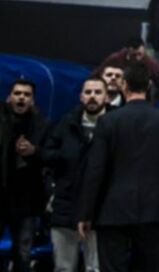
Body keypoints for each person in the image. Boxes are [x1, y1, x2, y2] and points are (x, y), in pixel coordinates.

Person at [77, 62, 159, 272]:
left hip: (112, 210)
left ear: (124, 84)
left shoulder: (108, 121)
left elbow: (95, 170)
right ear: (149, 85)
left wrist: (85, 213)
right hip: (154, 210)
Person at [42, 77, 106, 272]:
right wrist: (68, 157)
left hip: (101, 208)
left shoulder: (115, 123)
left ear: (106, 97)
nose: (92, 96)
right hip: (65, 204)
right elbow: (47, 154)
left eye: (97, 92)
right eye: (88, 92)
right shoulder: (66, 122)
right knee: (63, 267)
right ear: (81, 96)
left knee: (95, 268)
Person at [1, 79, 48, 272]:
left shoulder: (41, 125)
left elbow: (51, 155)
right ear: (9, 97)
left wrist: (34, 151)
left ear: (33, 100)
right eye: (17, 93)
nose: (21, 98)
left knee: (23, 252)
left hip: (26, 199)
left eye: (26, 94)